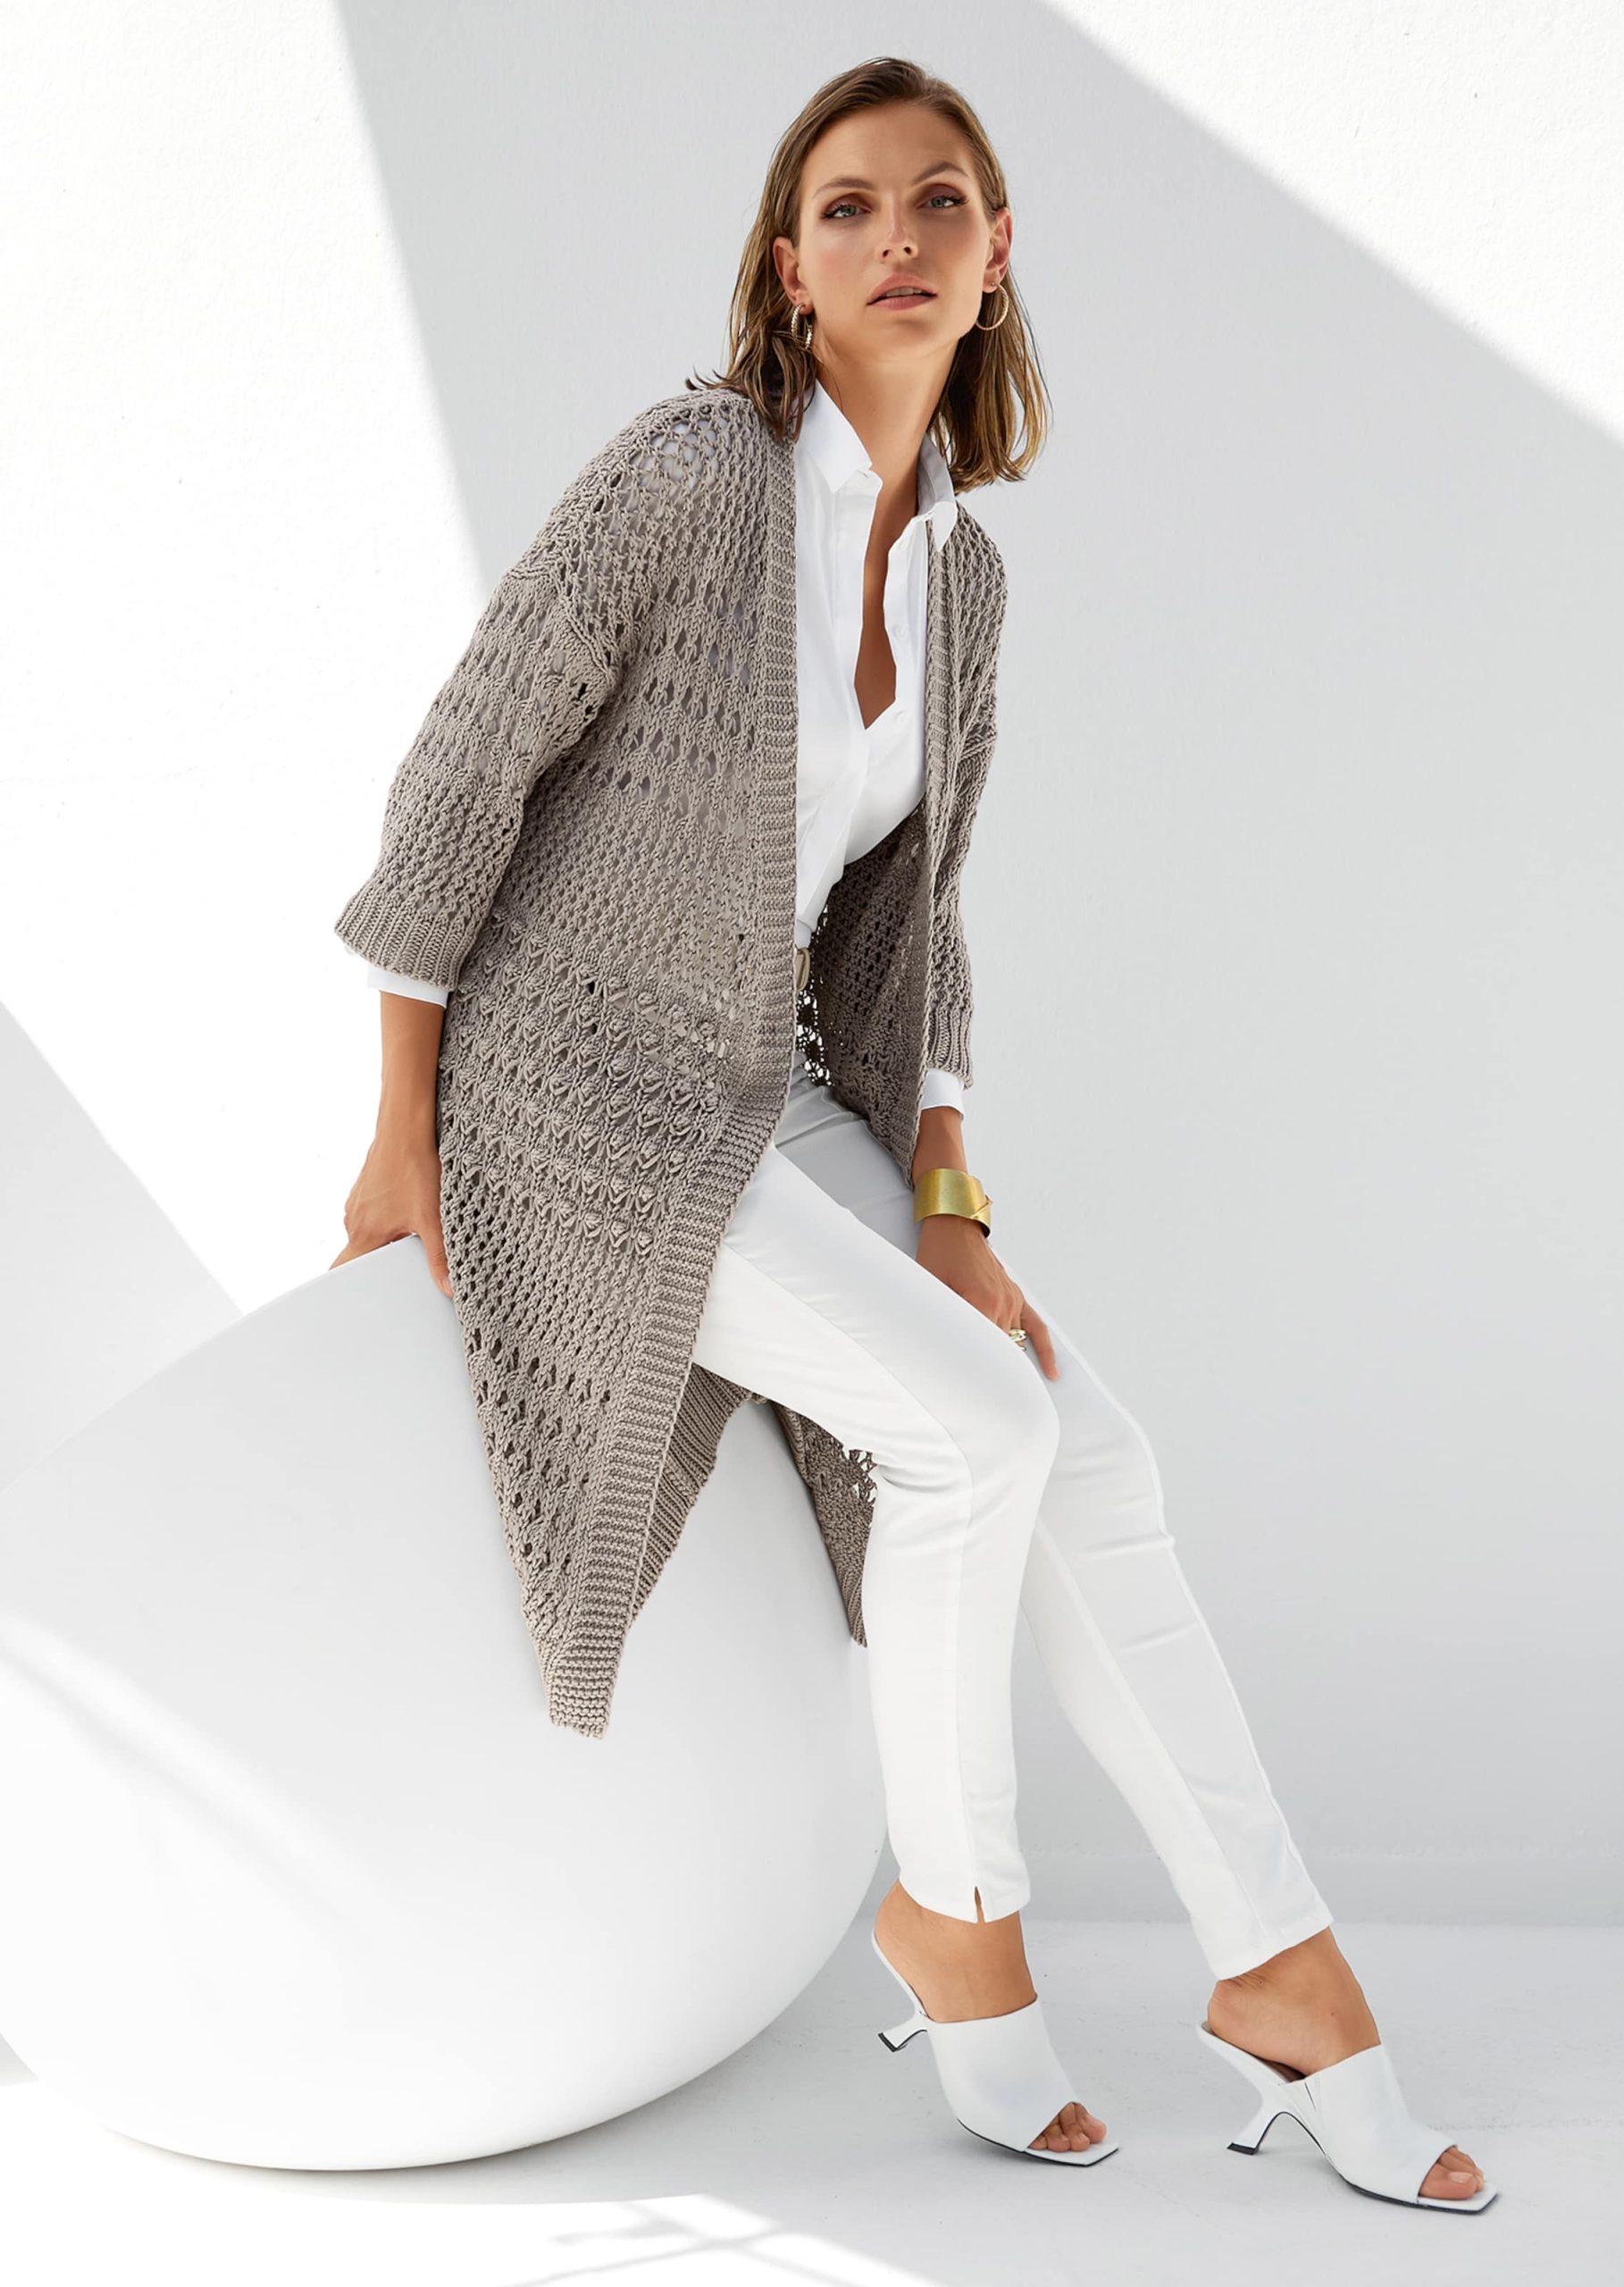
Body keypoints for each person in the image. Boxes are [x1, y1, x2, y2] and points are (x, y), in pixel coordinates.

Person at [330, 56, 1492, 2205]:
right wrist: (401, 1133)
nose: (897, 238)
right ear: (789, 265)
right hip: (573, 1097)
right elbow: (459, 778)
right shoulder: (689, 477)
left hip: (758, 1088)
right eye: (849, 206)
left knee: (1089, 1447)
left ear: (996, 254)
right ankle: (958, 1917)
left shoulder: (964, 580)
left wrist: (951, 1199)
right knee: (972, 1435)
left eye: (940, 199)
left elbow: (915, 926)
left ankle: (1279, 1961)